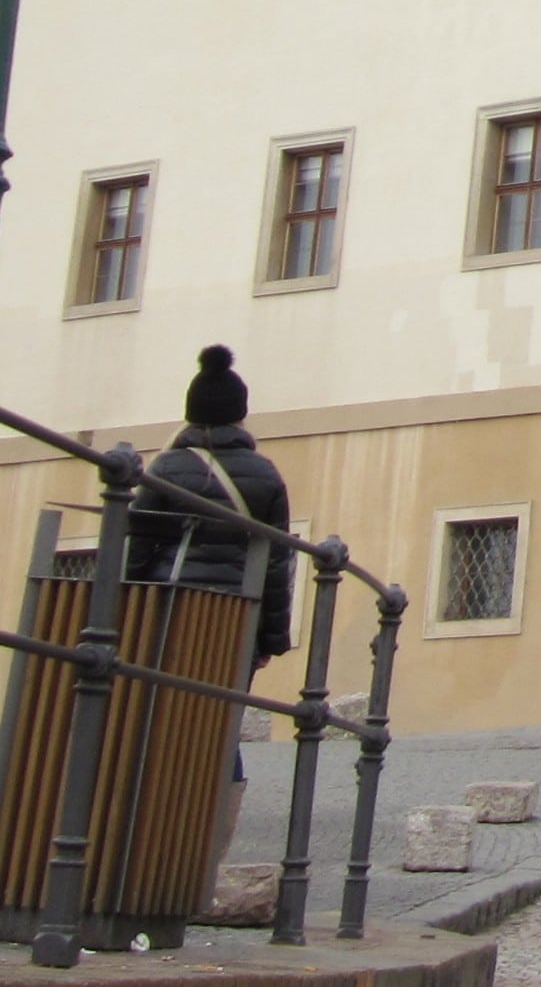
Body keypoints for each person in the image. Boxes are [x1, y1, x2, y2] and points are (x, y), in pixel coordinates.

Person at [125, 346, 295, 914]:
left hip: (169, 617)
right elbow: (277, 563)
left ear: (190, 413)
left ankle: (146, 850)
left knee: (155, 721)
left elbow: (138, 549)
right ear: (241, 416)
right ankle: (207, 859)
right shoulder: (265, 475)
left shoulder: (167, 469)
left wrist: (120, 617)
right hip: (233, 620)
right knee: (219, 727)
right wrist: (270, 639)